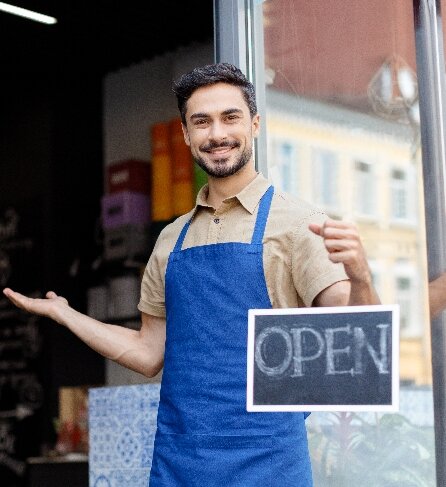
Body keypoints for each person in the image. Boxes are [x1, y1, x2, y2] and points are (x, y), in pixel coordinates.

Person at [3, 63, 380, 486]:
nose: (216, 134)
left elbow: (355, 344)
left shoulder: (298, 223)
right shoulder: (171, 239)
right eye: (201, 122)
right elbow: (148, 352)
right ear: (186, 134)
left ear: (254, 124)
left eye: (230, 117)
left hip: (269, 465)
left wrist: (361, 276)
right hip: (179, 463)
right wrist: (65, 314)